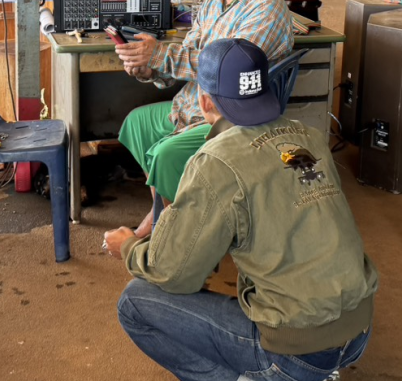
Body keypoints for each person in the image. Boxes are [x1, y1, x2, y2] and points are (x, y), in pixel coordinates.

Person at [104, 39, 378, 381]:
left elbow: (173, 274)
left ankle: (274, 375)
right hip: (359, 331)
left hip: (295, 351)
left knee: (134, 302)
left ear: (204, 102)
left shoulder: (215, 161)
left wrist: (129, 246)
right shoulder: (309, 136)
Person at [113, 0, 293, 238]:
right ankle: (168, 210)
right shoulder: (212, 2)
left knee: (166, 155)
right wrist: (151, 70)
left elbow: (227, 70)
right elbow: (188, 52)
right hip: (192, 105)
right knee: (136, 124)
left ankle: (174, 231)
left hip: (231, 118)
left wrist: (159, 55)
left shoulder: (267, 7)